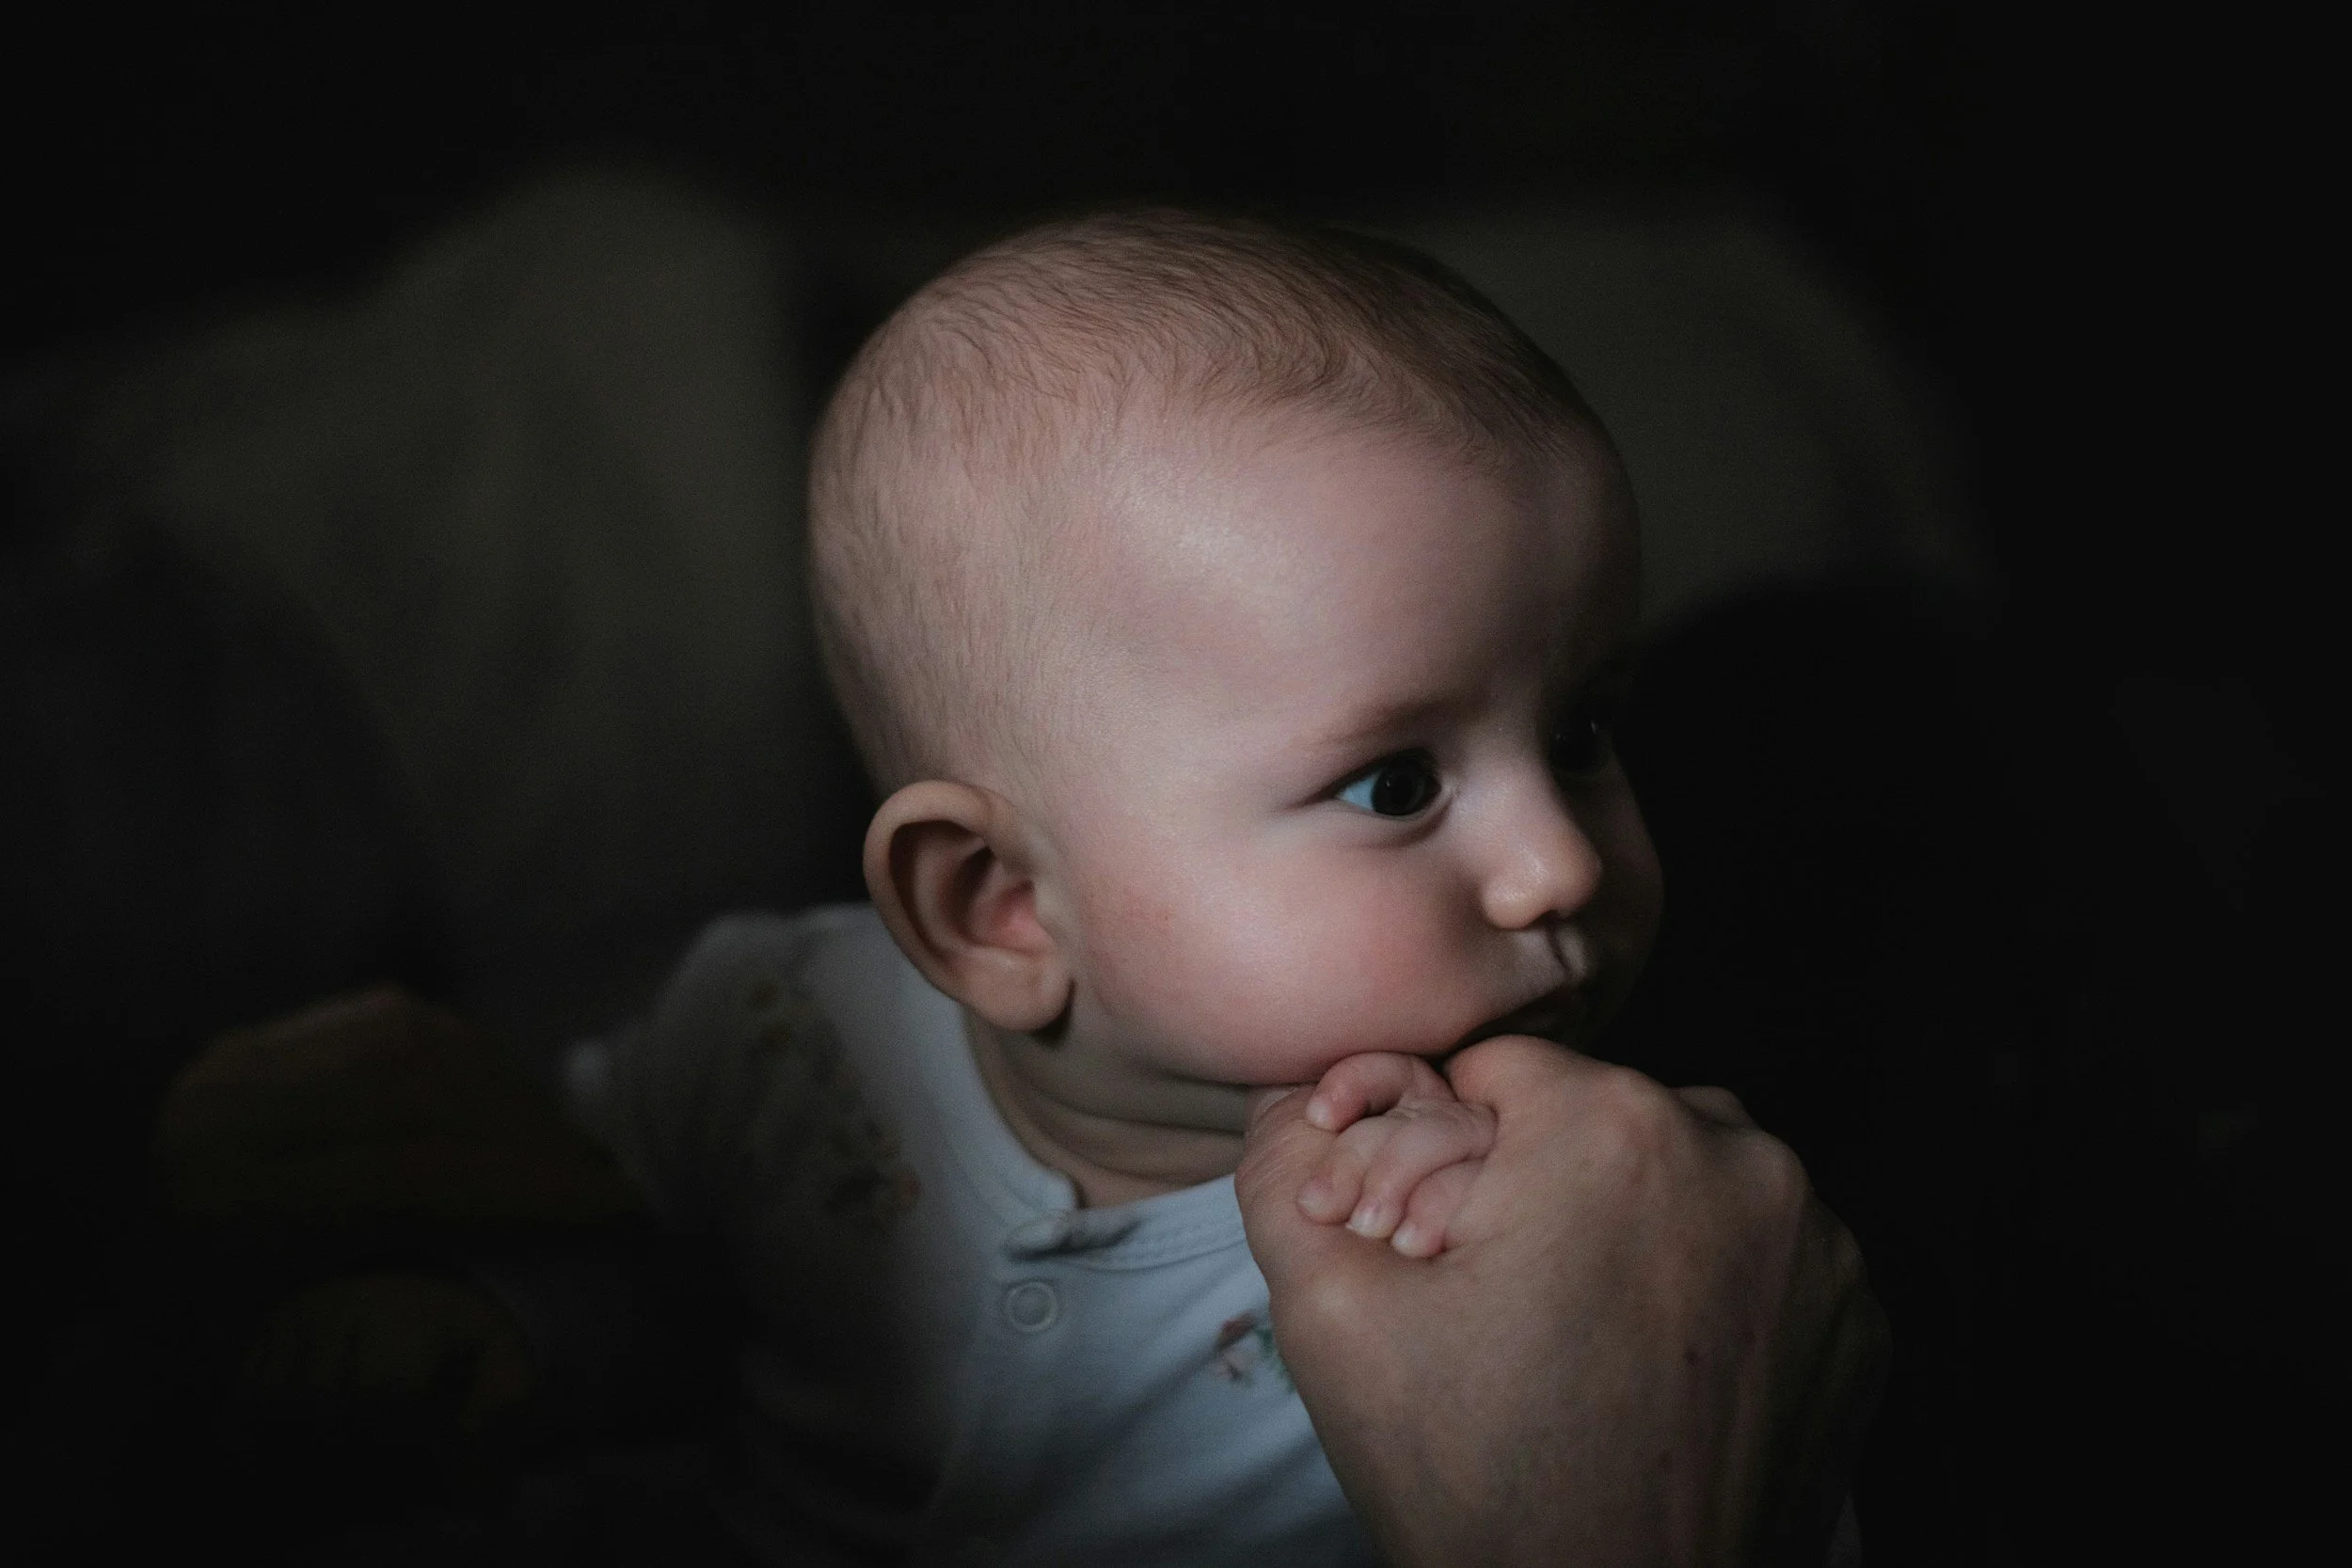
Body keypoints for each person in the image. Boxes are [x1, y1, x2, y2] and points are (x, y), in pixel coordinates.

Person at [191, 208, 1883, 1563]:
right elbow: (662, 1269)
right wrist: (508, 1335)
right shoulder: (771, 1036)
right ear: (1000, 906)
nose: (1564, 860)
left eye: (1583, 725)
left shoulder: (1533, 1241)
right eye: (1398, 782)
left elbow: (1708, 1452)